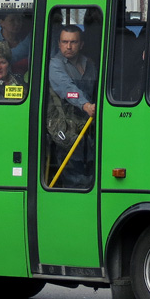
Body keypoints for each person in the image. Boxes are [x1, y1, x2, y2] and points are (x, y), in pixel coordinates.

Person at [48, 25, 97, 187]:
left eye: (73, 42)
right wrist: (86, 105)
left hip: (90, 127)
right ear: (59, 43)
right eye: (64, 42)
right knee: (73, 177)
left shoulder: (89, 63)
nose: (68, 46)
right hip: (66, 126)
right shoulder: (54, 65)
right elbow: (68, 90)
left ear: (81, 44)